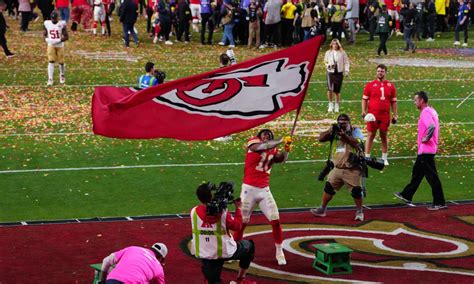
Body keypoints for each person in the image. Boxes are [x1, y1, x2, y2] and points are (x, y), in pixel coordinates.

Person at [233, 129, 292, 266]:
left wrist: (287, 149)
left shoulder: (273, 149)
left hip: (264, 190)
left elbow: (281, 159)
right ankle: (235, 250)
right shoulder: (254, 142)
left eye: (269, 135)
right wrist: (280, 140)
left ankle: (279, 251)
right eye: (264, 134)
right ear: (259, 136)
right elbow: (259, 147)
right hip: (248, 189)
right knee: (242, 223)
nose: (267, 136)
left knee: (275, 220)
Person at [190, 182, 256, 284]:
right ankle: (240, 279)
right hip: (224, 251)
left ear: (199, 198)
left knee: (213, 280)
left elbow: (207, 216)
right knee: (249, 246)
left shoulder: (193, 212)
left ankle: (209, 278)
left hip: (204, 253)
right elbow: (238, 226)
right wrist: (238, 208)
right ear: (211, 196)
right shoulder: (223, 213)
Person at [394, 92, 446, 210]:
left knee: (432, 177)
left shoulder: (425, 112)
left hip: (426, 150)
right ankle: (406, 195)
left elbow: (431, 126)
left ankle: (439, 202)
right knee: (417, 173)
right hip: (428, 149)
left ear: (422, 100)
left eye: (415, 100)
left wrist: (426, 138)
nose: (414, 102)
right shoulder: (432, 110)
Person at [310, 114, 366, 221]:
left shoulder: (355, 131)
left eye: (344, 122)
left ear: (349, 122)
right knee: (329, 188)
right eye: (340, 122)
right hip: (337, 167)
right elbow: (320, 138)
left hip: (352, 168)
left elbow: (357, 144)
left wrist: (344, 135)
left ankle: (359, 212)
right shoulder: (335, 132)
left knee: (356, 191)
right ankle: (322, 209)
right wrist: (329, 130)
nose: (342, 124)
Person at [361, 64, 398, 166]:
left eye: (382, 71)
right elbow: (364, 99)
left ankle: (384, 158)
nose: (380, 73)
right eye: (378, 71)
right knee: (370, 135)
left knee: (384, 136)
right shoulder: (370, 85)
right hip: (372, 115)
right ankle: (367, 157)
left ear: (385, 72)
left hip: (385, 115)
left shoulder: (391, 86)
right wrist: (363, 111)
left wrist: (395, 115)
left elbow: (393, 102)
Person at [99, 242, 167, 283]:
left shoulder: (133, 248)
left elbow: (106, 260)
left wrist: (102, 280)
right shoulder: (159, 268)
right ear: (161, 258)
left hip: (113, 280)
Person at [324, 39, 350, 113]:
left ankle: (337, 105)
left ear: (338, 45)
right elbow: (325, 61)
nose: (335, 45)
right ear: (331, 45)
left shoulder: (342, 52)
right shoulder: (328, 52)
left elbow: (346, 62)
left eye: (336, 44)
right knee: (330, 89)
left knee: (337, 91)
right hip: (330, 72)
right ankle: (330, 104)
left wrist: (347, 70)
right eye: (333, 44)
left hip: (339, 73)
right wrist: (328, 65)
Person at [44, 10, 68, 86]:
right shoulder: (47, 23)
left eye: (55, 19)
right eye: (52, 19)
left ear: (58, 18)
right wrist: (46, 38)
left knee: (61, 62)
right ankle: (50, 78)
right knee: (51, 61)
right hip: (51, 45)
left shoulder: (62, 24)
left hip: (60, 45)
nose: (54, 20)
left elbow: (66, 36)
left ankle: (62, 74)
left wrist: (58, 40)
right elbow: (44, 33)